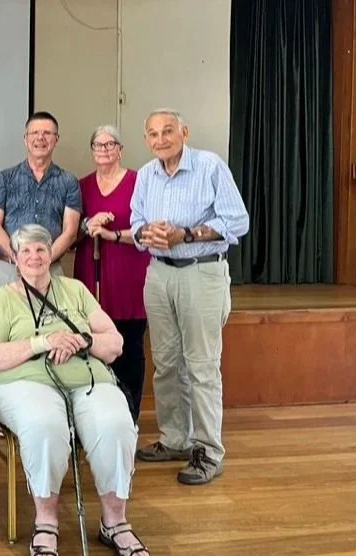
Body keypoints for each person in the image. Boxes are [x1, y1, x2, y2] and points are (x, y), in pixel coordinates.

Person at [0, 224, 150, 556]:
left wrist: (84, 339)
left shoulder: (75, 290)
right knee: (45, 425)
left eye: (41, 249)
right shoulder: (4, 298)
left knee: (116, 422)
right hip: (23, 382)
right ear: (15, 258)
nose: (34, 256)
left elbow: (114, 343)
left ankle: (115, 521)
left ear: (51, 254)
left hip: (87, 377)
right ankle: (46, 523)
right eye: (26, 251)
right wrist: (43, 342)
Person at [130, 108, 250, 485]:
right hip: (159, 273)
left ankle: (208, 452)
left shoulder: (210, 166)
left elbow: (238, 221)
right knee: (166, 363)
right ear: (146, 140)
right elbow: (135, 220)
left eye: (168, 131)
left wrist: (187, 234)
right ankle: (175, 439)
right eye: (153, 134)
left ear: (185, 132)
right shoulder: (146, 175)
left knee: (201, 366)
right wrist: (145, 233)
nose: (161, 139)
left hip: (201, 271)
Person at [71, 125, 151, 424]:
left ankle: (129, 417)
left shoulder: (138, 182)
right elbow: (72, 234)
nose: (104, 150)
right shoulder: (81, 186)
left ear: (121, 149)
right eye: (98, 145)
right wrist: (88, 224)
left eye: (110, 144)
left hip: (129, 277)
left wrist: (111, 234)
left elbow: (147, 231)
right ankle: (98, 417)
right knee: (92, 345)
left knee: (129, 348)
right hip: (90, 276)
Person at [0, 111, 81, 287]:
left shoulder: (69, 181)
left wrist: (42, 260)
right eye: (34, 133)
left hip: (50, 269)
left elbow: (70, 232)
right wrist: (19, 257)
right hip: (9, 269)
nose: (40, 138)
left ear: (56, 139)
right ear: (25, 139)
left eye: (47, 133)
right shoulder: (5, 178)